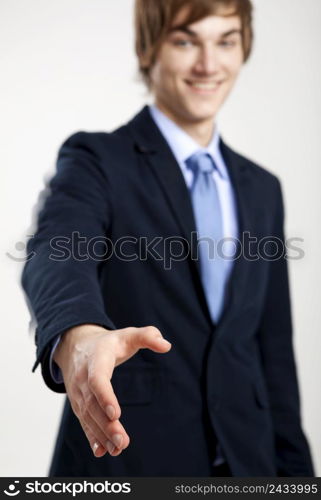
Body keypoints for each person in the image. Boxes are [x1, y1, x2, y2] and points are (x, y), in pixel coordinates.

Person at [21, 0, 315, 477]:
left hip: (249, 465)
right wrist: (78, 334)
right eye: (185, 41)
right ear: (148, 49)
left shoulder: (263, 188)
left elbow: (273, 353)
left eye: (226, 41)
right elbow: (57, 249)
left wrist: (298, 477)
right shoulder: (97, 160)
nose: (208, 64)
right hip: (133, 465)